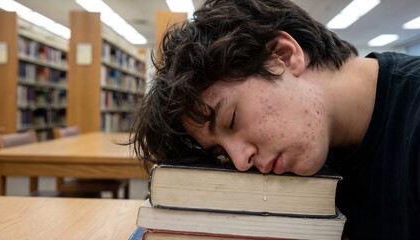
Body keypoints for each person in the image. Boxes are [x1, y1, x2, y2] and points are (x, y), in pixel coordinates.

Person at [129, 0, 420, 238]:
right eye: (220, 153)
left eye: (232, 119)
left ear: (284, 55)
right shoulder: (316, 138)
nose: (241, 161)